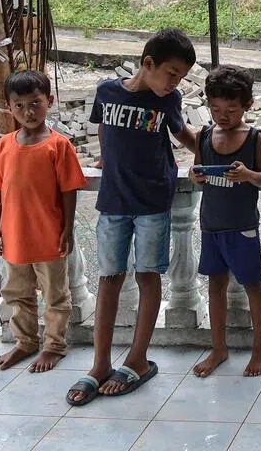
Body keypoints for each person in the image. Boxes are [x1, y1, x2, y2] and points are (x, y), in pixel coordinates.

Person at [66, 28, 198, 407]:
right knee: (108, 278)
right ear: (148, 63)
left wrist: (212, 156)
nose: (175, 82)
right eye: (171, 73)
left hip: (153, 201)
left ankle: (138, 359)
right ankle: (100, 365)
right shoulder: (106, 92)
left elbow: (184, 135)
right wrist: (106, 158)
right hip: (113, 202)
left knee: (147, 275)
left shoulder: (168, 100)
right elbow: (104, 128)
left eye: (181, 77)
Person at [0, 70, 86, 373]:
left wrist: (67, 229)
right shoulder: (4, 146)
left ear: (49, 102)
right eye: (19, 105)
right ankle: (25, 341)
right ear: (9, 107)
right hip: (14, 237)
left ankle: (54, 345)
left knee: (55, 295)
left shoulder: (59, 146)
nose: (27, 112)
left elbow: (68, 190)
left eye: (35, 103)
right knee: (17, 293)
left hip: (49, 236)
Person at [190, 66, 261, 378]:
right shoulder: (204, 136)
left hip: (242, 226)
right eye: (215, 109)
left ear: (247, 105)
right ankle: (218, 348)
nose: (223, 116)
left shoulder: (253, 137)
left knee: (253, 286)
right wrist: (195, 176)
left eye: (231, 110)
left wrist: (247, 175)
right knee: (215, 287)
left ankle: (260, 347)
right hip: (211, 224)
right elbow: (197, 171)